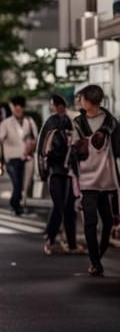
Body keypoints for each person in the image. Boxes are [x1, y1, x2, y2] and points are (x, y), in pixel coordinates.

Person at [70, 84, 120, 277]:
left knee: (107, 221)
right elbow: (74, 149)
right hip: (87, 178)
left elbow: (118, 149)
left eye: (82, 99)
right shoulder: (78, 122)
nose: (80, 102)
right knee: (90, 222)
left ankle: (98, 253)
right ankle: (95, 262)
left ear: (89, 102)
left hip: (106, 178)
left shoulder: (111, 123)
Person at [37, 94, 79, 255]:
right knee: (61, 205)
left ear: (58, 105)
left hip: (62, 170)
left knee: (66, 207)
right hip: (59, 170)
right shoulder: (61, 121)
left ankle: (66, 242)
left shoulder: (61, 121)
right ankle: (52, 239)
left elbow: (41, 148)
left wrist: (42, 170)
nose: (51, 107)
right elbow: (43, 147)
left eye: (52, 104)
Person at [0, 96, 38, 216]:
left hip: (27, 157)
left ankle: (18, 204)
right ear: (13, 109)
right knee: (16, 182)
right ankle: (15, 204)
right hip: (11, 157)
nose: (18, 110)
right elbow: (0, 138)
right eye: (16, 107)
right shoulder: (6, 123)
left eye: (20, 107)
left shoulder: (29, 121)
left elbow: (36, 137)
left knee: (25, 183)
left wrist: (31, 144)